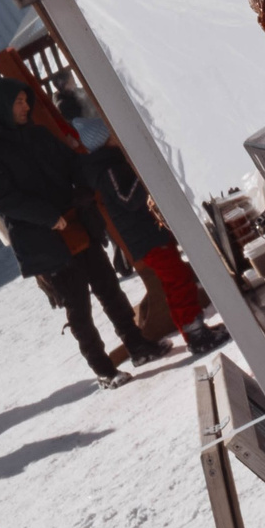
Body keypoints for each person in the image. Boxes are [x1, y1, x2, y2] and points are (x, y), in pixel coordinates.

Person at [0, 78, 167, 388]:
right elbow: (3, 199)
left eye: (26, 100)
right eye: (18, 102)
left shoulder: (37, 134)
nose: (25, 107)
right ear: (1, 106)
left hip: (77, 226)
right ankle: (104, 370)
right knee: (79, 307)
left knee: (109, 290)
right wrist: (48, 217)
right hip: (44, 241)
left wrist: (86, 185)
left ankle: (138, 345)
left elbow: (71, 163)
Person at [65, 101, 229, 358]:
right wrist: (145, 177)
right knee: (177, 280)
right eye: (112, 134)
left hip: (150, 234)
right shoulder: (107, 170)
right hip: (147, 238)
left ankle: (193, 329)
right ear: (105, 140)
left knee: (177, 280)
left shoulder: (110, 164)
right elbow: (128, 200)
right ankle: (195, 334)